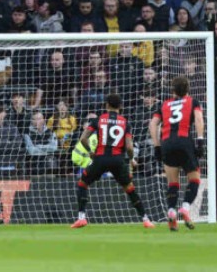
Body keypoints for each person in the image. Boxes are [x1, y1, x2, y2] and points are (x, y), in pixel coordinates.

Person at [71, 94, 155, 230]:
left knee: (82, 183)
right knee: (129, 188)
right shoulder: (125, 122)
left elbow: (83, 139)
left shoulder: (98, 120)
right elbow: (128, 146)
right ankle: (146, 219)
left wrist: (90, 153)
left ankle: (81, 218)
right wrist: (132, 159)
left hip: (100, 158)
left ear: (106, 105)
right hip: (118, 160)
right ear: (121, 107)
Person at [149, 76, 204, 231]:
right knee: (194, 179)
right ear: (188, 89)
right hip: (185, 142)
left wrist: (157, 146)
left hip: (167, 143)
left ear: (172, 90)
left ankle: (171, 212)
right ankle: (185, 208)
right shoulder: (193, 102)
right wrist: (200, 141)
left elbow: (153, 124)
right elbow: (199, 119)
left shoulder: (164, 105)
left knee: (172, 182)